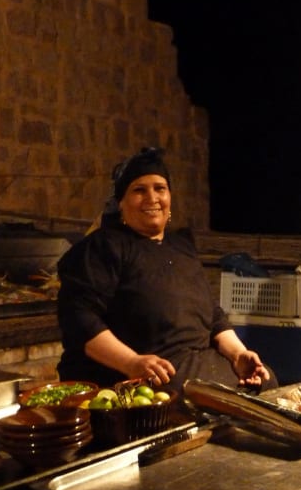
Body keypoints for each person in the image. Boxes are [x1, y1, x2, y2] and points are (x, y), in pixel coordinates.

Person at [56, 147, 276, 394]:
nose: (152, 198)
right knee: (197, 396)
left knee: (265, 380)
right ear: (121, 203)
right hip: (149, 372)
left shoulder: (181, 247)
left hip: (199, 364)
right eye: (139, 190)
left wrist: (238, 355)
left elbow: (212, 316)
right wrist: (131, 362)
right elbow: (79, 319)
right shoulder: (103, 247)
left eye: (159, 188)